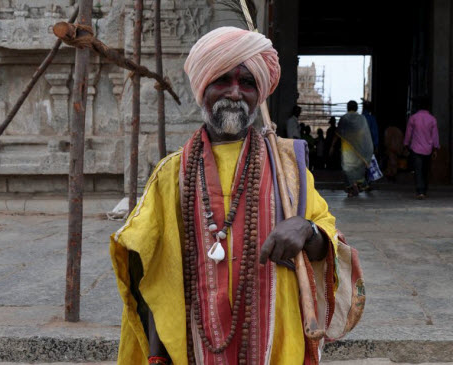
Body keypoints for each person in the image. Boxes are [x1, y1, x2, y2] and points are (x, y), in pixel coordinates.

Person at [110, 26, 362, 365]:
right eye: (222, 80)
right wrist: (157, 355)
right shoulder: (171, 175)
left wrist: (307, 231)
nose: (234, 92)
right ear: (203, 88)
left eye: (247, 83)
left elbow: (329, 241)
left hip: (277, 346)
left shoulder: (289, 168)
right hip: (193, 349)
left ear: (259, 94)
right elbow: (147, 274)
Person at [331, 100, 373, 197]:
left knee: (347, 168)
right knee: (358, 168)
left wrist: (332, 146)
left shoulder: (344, 118)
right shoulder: (362, 119)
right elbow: (366, 135)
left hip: (347, 149)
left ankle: (351, 188)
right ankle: (357, 185)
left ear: (347, 107)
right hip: (359, 149)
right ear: (357, 108)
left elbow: (337, 134)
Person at [403, 97, 440, 199]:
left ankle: (420, 191)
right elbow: (435, 135)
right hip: (428, 149)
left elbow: (408, 133)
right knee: (425, 170)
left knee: (418, 170)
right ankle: (425, 190)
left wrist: (406, 144)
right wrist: (435, 148)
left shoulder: (413, 118)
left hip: (416, 149)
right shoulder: (432, 119)